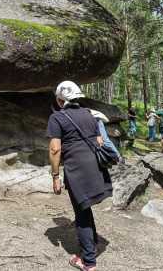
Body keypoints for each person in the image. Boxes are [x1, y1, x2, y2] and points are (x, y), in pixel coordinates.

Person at [47, 81, 112, 271]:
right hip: (96, 168)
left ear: (60, 100)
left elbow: (55, 149)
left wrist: (55, 176)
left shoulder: (57, 118)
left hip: (77, 171)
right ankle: (90, 244)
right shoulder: (89, 113)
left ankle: (88, 262)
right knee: (85, 208)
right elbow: (99, 140)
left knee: (81, 214)